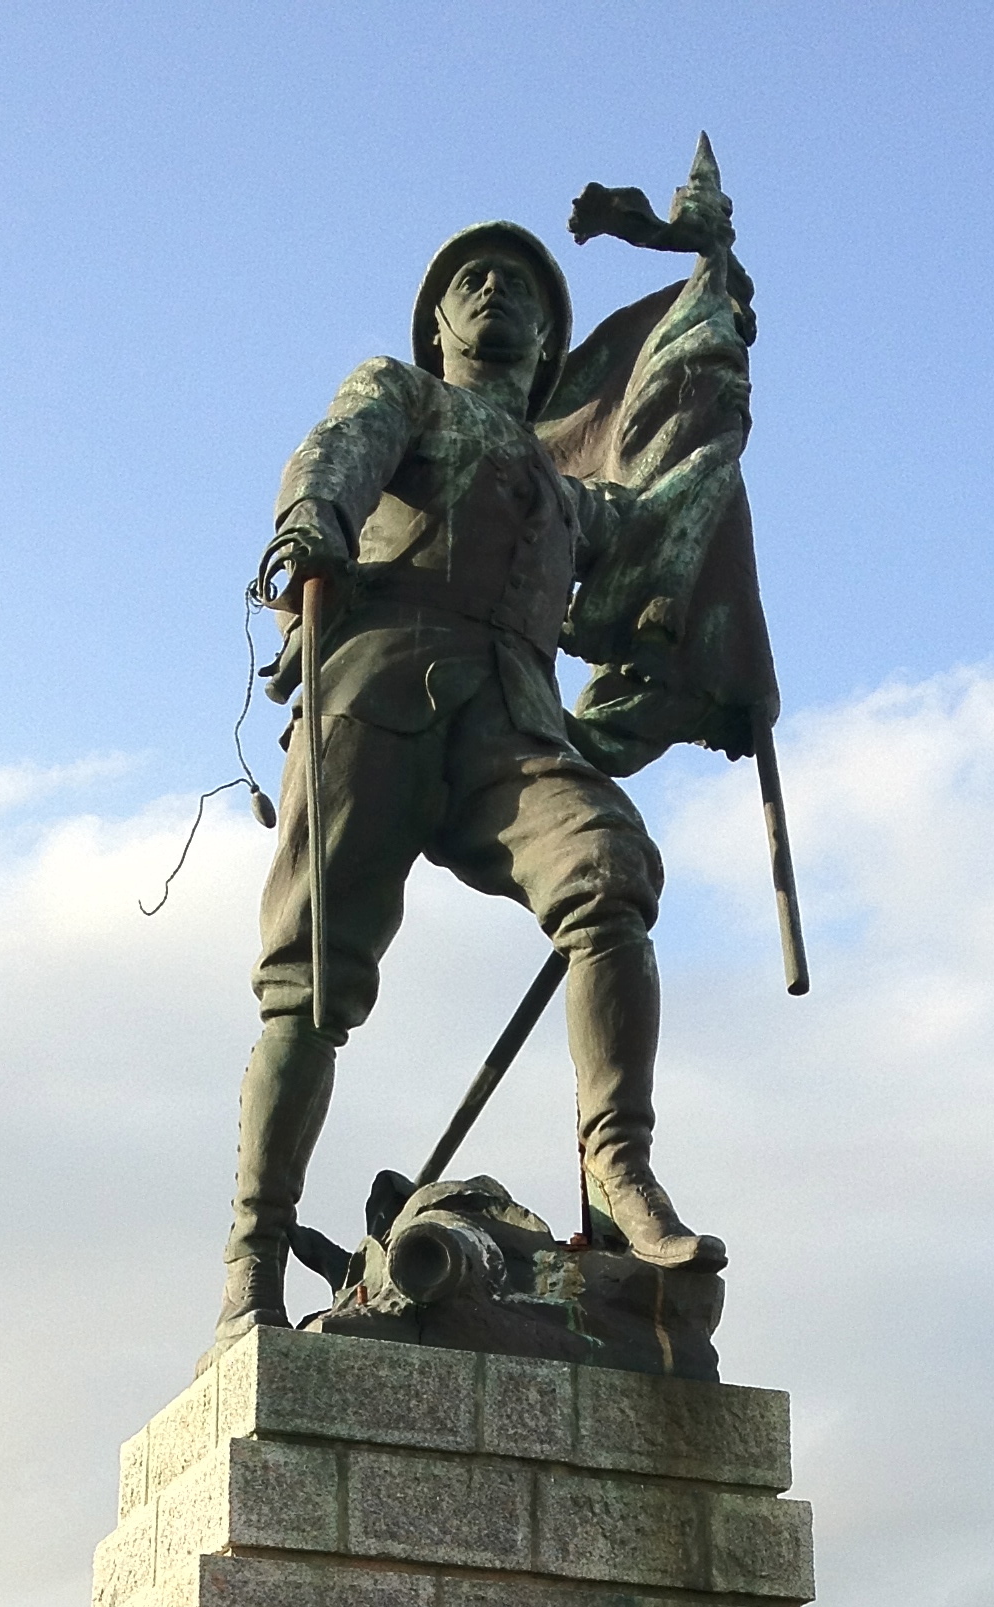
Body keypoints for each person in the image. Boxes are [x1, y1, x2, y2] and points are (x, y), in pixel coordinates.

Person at [219, 220, 727, 1343]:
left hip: (511, 729)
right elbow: (339, 451)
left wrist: (714, 418)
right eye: (471, 281)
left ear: (549, 342)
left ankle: (620, 1176)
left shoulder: (565, 492)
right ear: (440, 325)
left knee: (609, 869)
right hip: (378, 698)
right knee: (311, 981)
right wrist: (315, 519)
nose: (493, 290)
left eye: (519, 287)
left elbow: (656, 540)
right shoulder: (403, 394)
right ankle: (252, 1267)